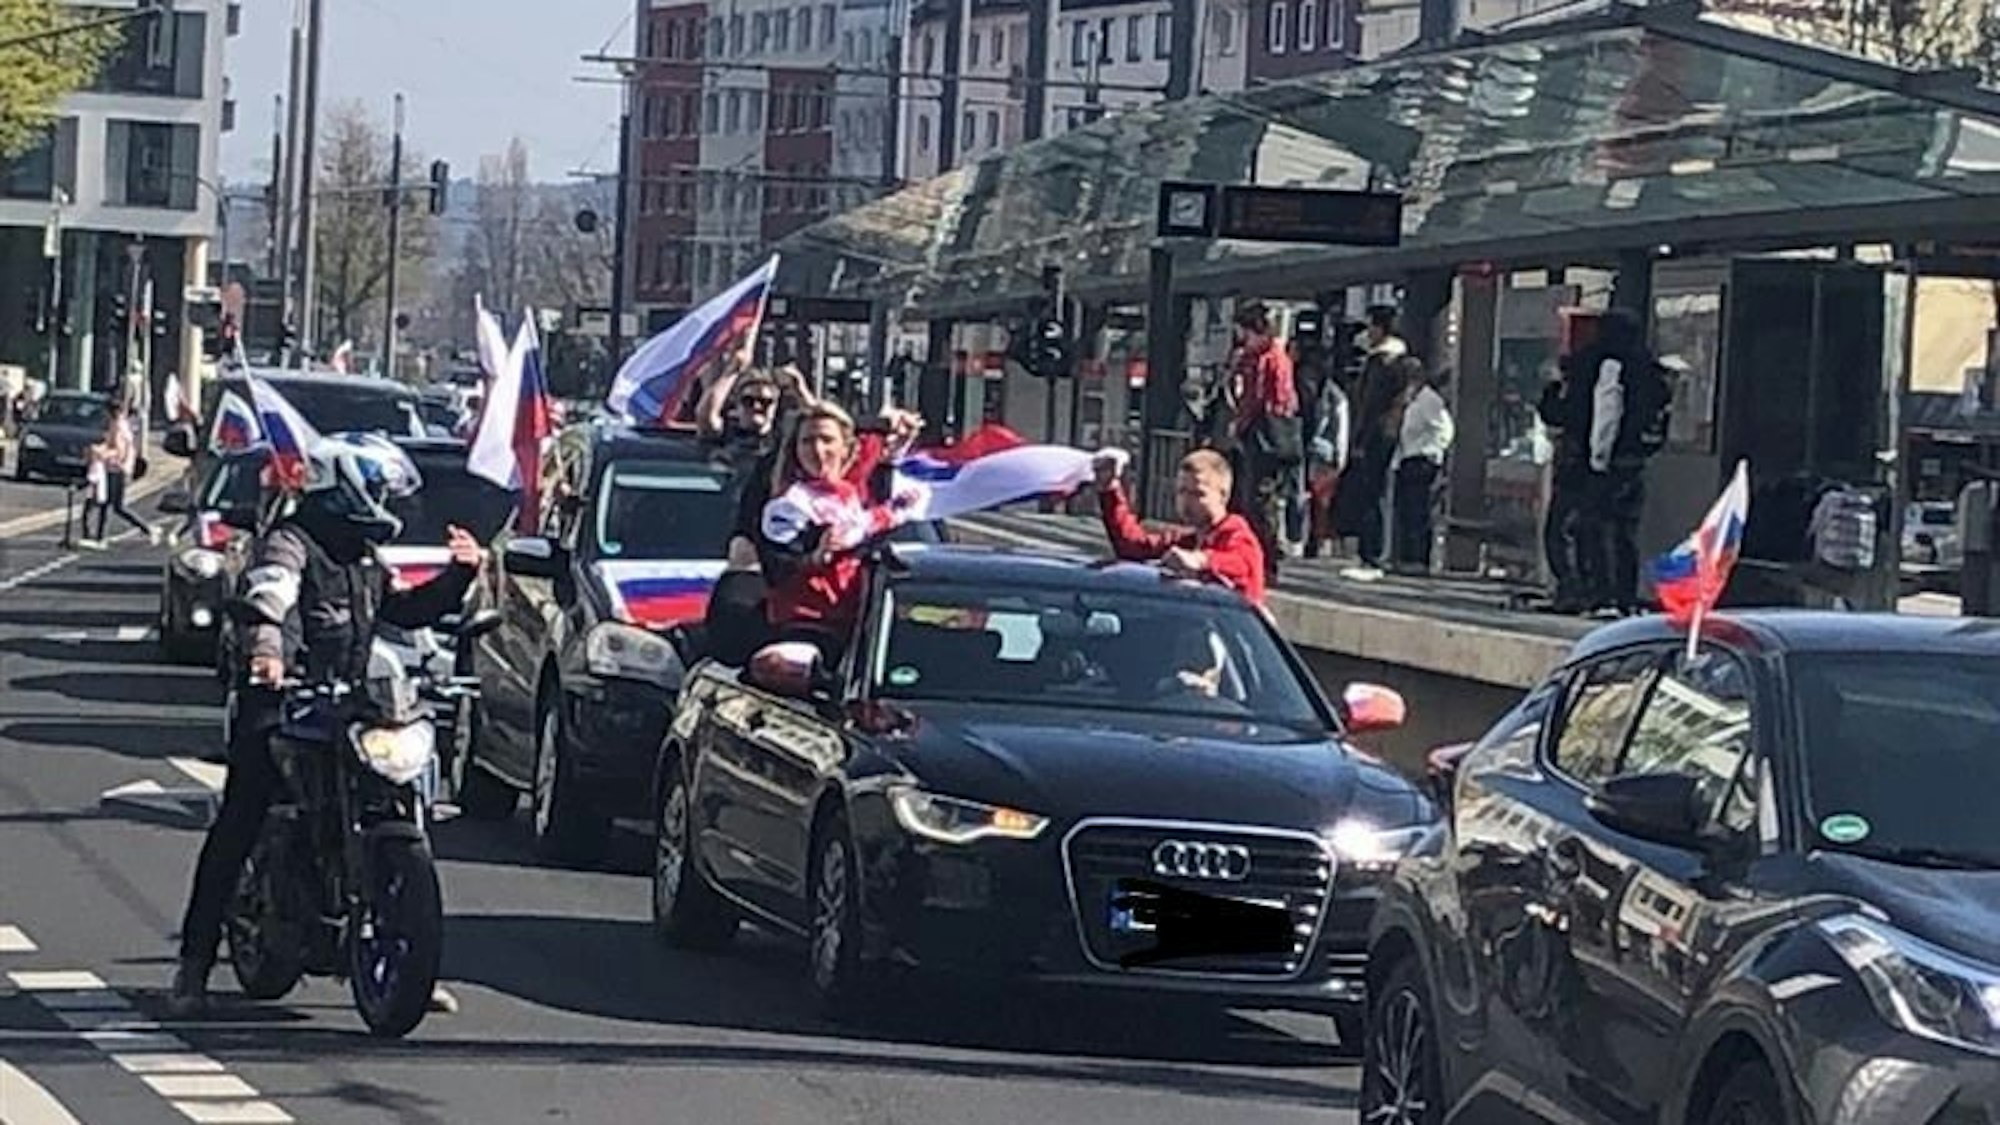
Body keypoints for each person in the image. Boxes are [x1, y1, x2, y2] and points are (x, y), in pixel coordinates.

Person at [169, 434, 487, 1018]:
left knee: (399, 799)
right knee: (242, 817)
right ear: (347, 488)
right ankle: (193, 964)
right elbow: (268, 598)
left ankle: (409, 963)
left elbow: (404, 611)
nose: (391, 502)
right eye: (382, 489)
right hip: (281, 701)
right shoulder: (292, 543)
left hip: (351, 704)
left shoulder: (363, 557)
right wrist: (267, 655)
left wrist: (458, 578)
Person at [756, 402, 922, 665]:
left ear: (845, 448)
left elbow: (875, 492)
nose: (818, 450)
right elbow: (779, 565)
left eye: (827, 440)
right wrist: (815, 555)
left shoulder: (851, 494)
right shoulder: (789, 503)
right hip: (807, 628)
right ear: (795, 451)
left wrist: (896, 443)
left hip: (862, 624)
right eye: (808, 441)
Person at [1572, 308, 1672, 616]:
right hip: (1638, 460)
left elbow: (1607, 413)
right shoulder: (1649, 366)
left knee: (1594, 526)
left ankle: (1602, 594)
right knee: (1626, 532)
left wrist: (1598, 458)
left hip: (1612, 461)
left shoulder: (1611, 364)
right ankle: (1626, 596)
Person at [1094, 448, 1268, 609]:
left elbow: (1241, 563)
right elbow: (1132, 546)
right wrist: (1110, 490)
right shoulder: (1188, 540)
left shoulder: (1236, 532)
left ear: (1223, 496)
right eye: (1181, 491)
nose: (1186, 502)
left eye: (1198, 494)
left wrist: (1201, 560)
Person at [1335, 305, 1410, 580]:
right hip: (1386, 434)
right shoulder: (1399, 362)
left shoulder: (1383, 362)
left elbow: (1369, 405)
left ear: (1380, 328)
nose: (1368, 334)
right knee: (1376, 493)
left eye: (1371, 327)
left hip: (1376, 435)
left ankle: (1371, 556)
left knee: (1371, 493)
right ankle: (1372, 553)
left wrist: (1359, 438)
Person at [1227, 303, 1300, 583]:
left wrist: (1244, 420)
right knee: (1248, 497)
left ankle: (1267, 558)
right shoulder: (1250, 358)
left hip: (1264, 434)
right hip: (1254, 433)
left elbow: (1269, 399)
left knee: (1260, 499)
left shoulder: (1270, 358)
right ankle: (1255, 555)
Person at [1390, 362, 1455, 573]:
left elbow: (1445, 430)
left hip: (1422, 459)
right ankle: (1406, 556)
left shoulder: (1429, 401)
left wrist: (1433, 450)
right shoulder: (1415, 401)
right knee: (1408, 511)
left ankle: (1418, 558)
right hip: (1408, 458)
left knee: (1419, 511)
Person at [81, 402, 156, 548]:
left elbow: (118, 450)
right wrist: (99, 449)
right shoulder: (120, 424)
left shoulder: (118, 426)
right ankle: (100, 537)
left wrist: (101, 454)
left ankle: (146, 528)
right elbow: (111, 445)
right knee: (107, 504)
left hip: (117, 469)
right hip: (115, 467)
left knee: (116, 506)